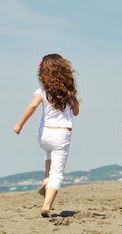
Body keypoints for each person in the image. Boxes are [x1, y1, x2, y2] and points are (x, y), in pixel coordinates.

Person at [13, 54, 80, 218]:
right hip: (61, 134)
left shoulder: (41, 91)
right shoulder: (68, 94)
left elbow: (32, 106)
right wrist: (73, 98)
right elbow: (76, 112)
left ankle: (45, 179)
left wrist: (19, 124)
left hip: (44, 136)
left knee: (48, 152)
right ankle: (46, 206)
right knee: (57, 174)